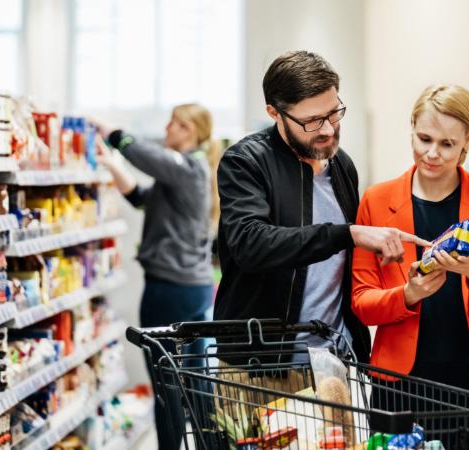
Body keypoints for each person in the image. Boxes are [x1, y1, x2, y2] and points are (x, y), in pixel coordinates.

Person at [215, 50, 429, 368]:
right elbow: (251, 245)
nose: (328, 129)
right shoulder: (246, 163)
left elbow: (339, 265)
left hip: (333, 361)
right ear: (275, 113)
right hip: (260, 365)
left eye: (334, 113)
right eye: (313, 121)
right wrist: (349, 234)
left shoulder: (342, 166)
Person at [351, 84, 469, 448]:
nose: (432, 154)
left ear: (467, 141)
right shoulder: (377, 201)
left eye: (447, 144)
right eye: (424, 138)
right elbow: (362, 303)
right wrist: (408, 295)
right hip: (403, 384)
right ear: (411, 127)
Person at [94, 103, 219, 450]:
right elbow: (142, 197)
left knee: (166, 383)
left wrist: (113, 132)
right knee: (194, 380)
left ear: (190, 131)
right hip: (192, 288)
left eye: (175, 124)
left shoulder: (187, 167)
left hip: (170, 289)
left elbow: (149, 159)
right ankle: (211, 445)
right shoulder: (190, 173)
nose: (167, 129)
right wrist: (112, 166)